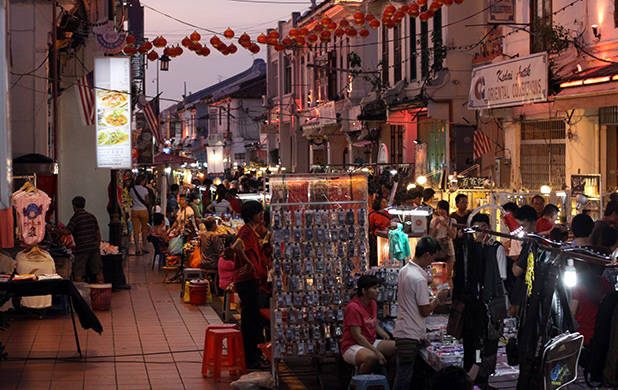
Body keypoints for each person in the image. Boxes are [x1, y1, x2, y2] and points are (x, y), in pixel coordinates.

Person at [393, 236, 449, 390]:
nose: (431, 263)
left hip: (404, 331)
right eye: (432, 259)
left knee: (405, 375)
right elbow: (424, 310)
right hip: (410, 335)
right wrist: (437, 298)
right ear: (427, 255)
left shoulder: (405, 271)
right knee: (404, 378)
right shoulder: (418, 278)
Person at [461, 213, 507, 390]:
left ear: (488, 228)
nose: (479, 233)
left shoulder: (496, 248)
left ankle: (482, 379)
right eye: (476, 229)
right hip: (474, 306)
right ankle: (473, 378)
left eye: (482, 228)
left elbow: (500, 279)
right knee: (475, 343)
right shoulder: (470, 248)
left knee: (486, 345)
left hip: (490, 307)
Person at [231, 200, 268, 369]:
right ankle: (250, 358)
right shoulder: (246, 231)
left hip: (250, 280)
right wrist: (248, 264)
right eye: (259, 212)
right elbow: (236, 246)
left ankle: (253, 356)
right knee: (250, 321)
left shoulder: (251, 232)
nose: (262, 215)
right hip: (247, 281)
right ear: (252, 215)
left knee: (252, 320)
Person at [340, 275, 396, 374]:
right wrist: (377, 352)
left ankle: (389, 381)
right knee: (371, 358)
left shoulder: (372, 303)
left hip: (370, 341)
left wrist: (384, 334)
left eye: (378, 288)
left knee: (398, 348)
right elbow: (357, 336)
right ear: (364, 291)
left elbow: (373, 323)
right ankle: (361, 382)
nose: (378, 291)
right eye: (374, 288)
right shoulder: (353, 308)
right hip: (352, 345)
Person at [66, 196, 103, 283]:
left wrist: (52, 229)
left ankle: (79, 293)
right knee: (98, 272)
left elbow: (67, 231)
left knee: (78, 273)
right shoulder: (91, 216)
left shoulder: (75, 218)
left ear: (74, 206)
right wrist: (98, 245)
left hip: (82, 249)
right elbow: (98, 232)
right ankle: (101, 292)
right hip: (94, 248)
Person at [429, 200, 457, 285]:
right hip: (437, 249)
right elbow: (431, 236)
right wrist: (436, 225)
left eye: (443, 209)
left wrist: (446, 226)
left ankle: (448, 295)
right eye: (439, 209)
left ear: (447, 210)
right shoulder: (434, 220)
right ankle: (437, 295)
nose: (441, 211)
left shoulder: (453, 221)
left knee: (448, 276)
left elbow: (453, 236)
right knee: (436, 275)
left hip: (448, 249)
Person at [129, 175, 151, 255]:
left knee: (136, 230)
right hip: (143, 211)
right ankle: (144, 246)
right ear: (142, 181)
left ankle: (137, 248)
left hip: (134, 210)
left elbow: (131, 198)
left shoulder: (132, 189)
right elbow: (147, 201)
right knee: (144, 229)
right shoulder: (145, 190)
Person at [369, 195, 392, 267]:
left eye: (386, 202)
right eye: (383, 202)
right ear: (379, 203)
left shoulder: (388, 213)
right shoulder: (373, 214)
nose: (386, 204)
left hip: (387, 239)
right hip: (376, 240)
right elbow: (371, 227)